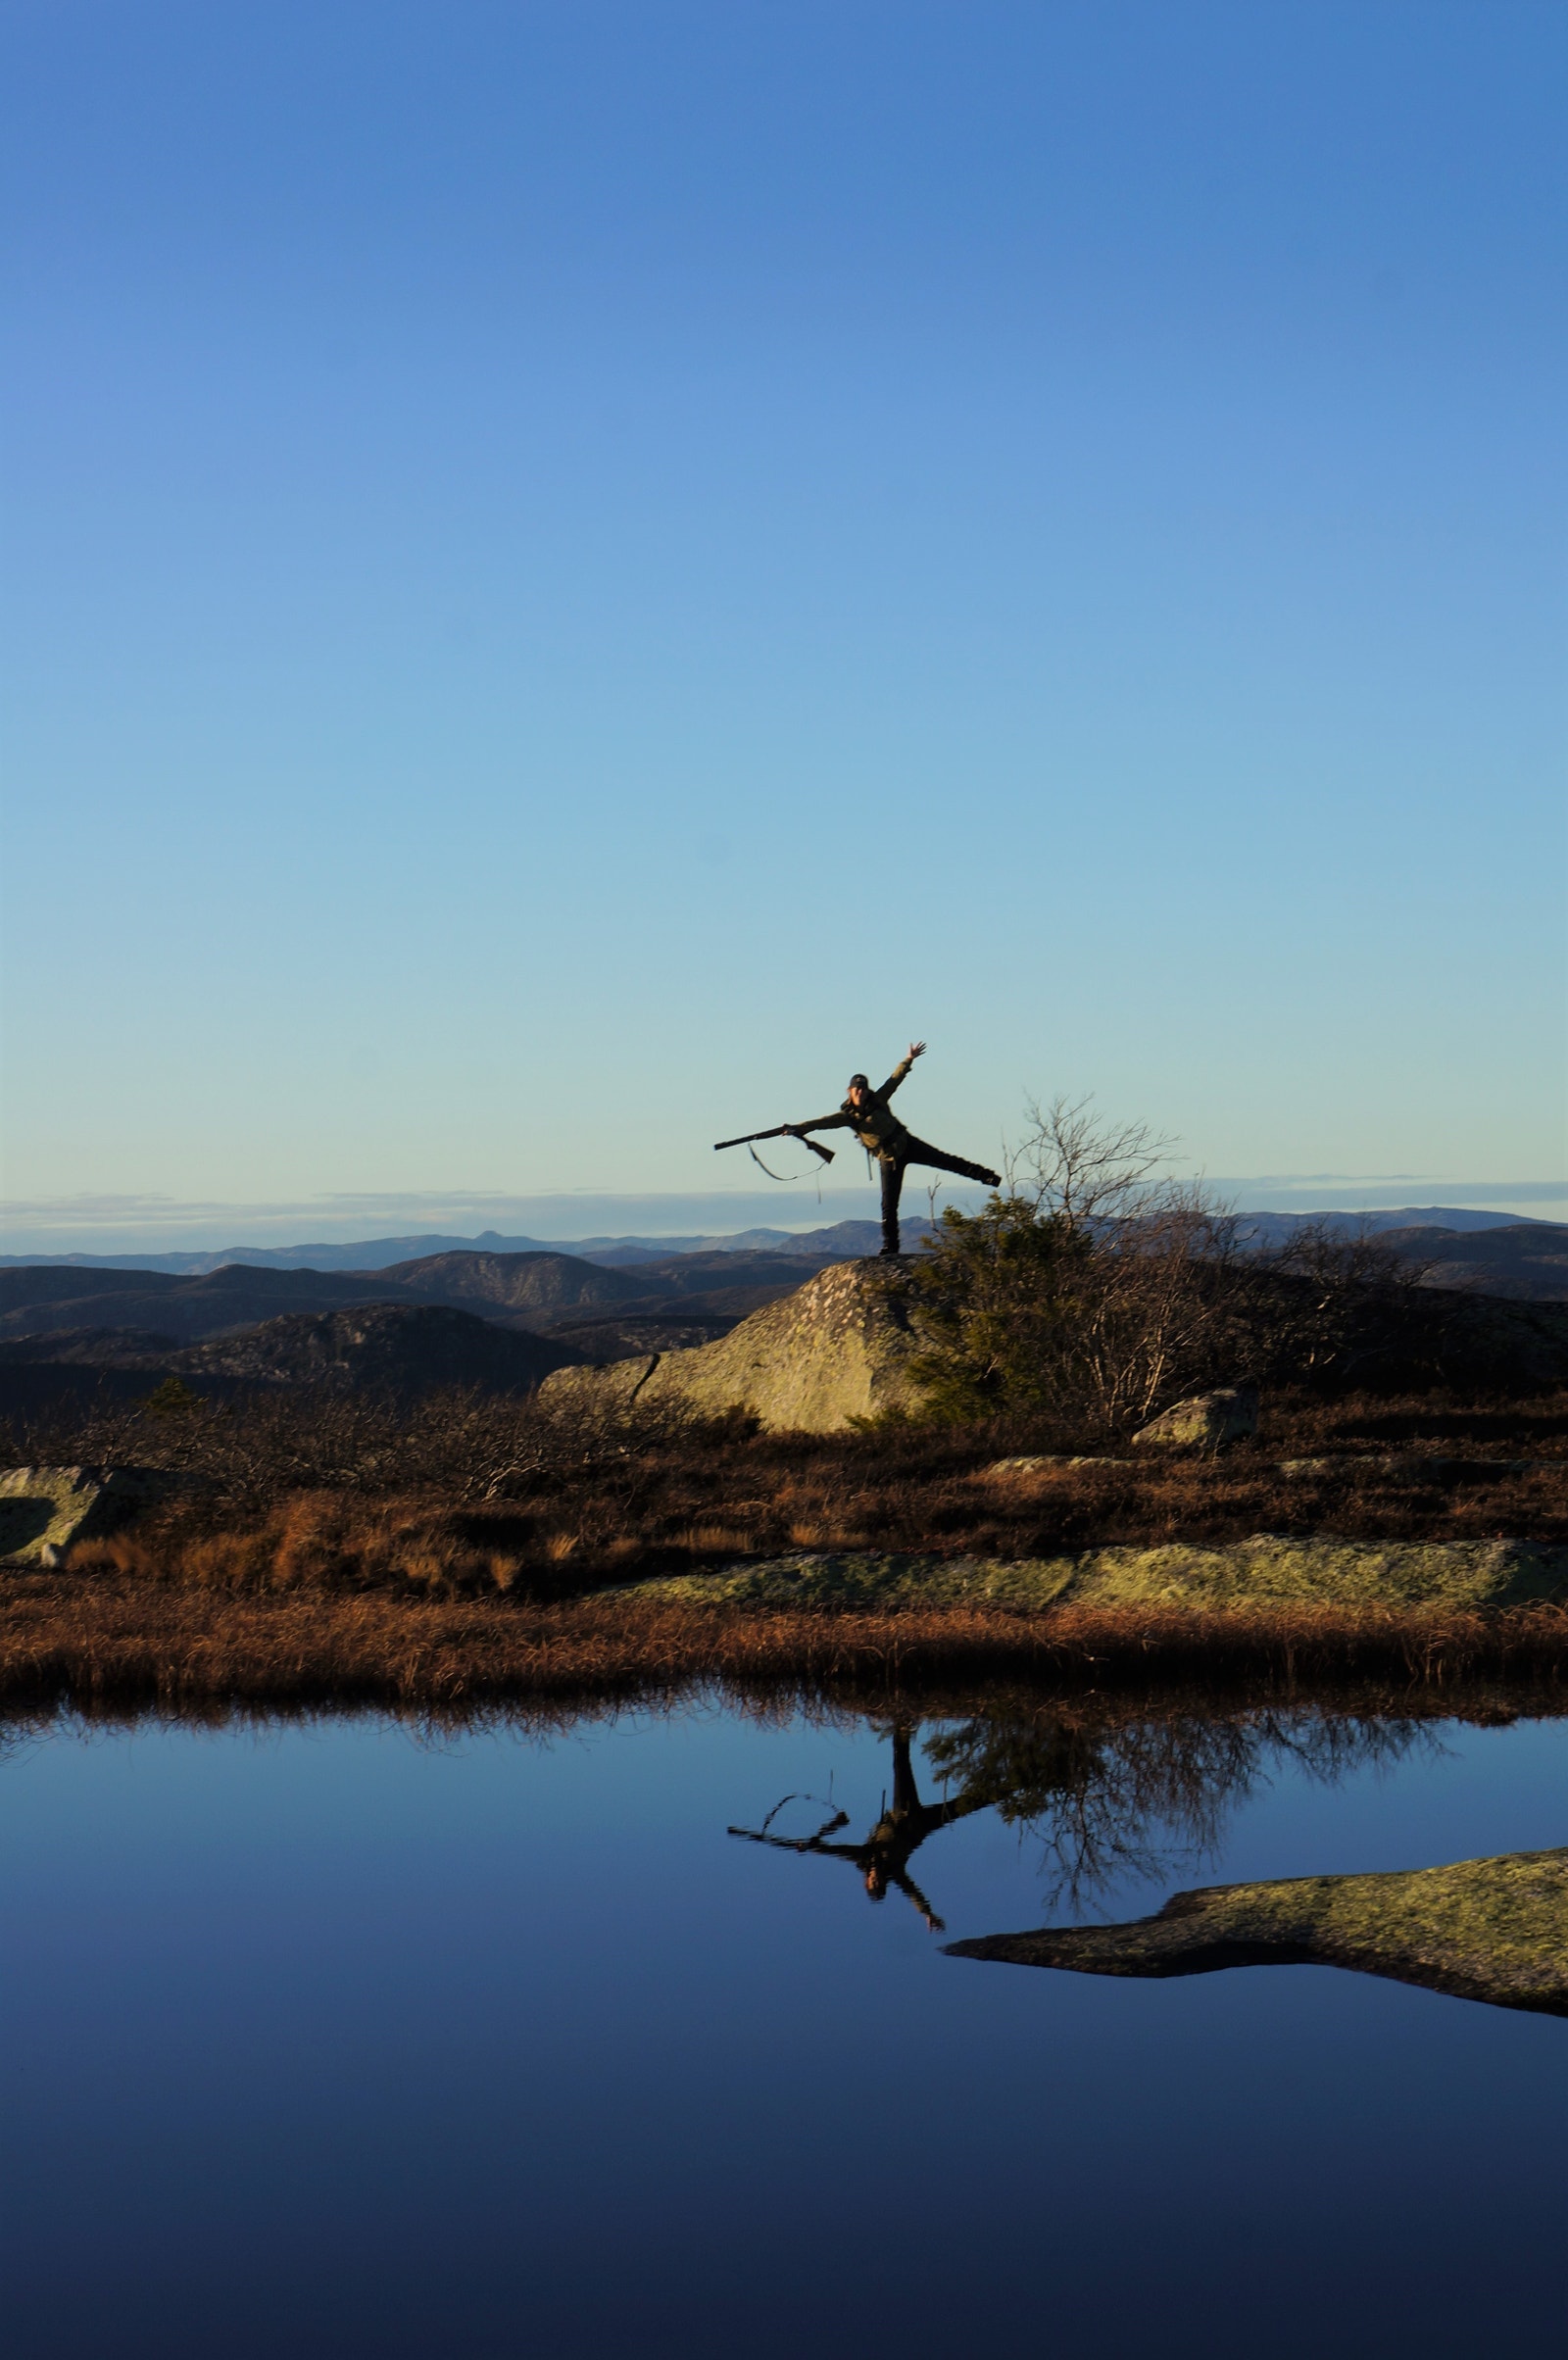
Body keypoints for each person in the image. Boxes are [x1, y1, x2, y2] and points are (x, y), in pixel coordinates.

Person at [786, 1040, 1001, 1255]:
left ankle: (988, 1177)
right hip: (888, 1159)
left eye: (863, 1088)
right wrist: (797, 1129)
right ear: (849, 1091)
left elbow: (894, 1079)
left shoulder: (878, 1099)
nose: (860, 1091)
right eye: (856, 1088)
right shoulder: (847, 1117)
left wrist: (909, 1059)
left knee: (947, 1161)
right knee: (888, 1205)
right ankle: (891, 1247)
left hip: (907, 1143)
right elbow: (820, 1123)